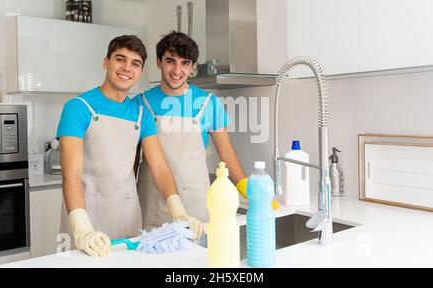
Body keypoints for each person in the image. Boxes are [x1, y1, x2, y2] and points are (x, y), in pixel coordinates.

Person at [57, 35, 203, 257]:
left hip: (129, 220)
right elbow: (71, 174)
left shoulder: (142, 114)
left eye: (135, 63)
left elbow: (160, 168)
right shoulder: (78, 108)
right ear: (106, 62)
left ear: (141, 71)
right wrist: (82, 230)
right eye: (120, 59)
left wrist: (179, 212)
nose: (127, 68)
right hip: (86, 218)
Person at [134, 31, 278, 229]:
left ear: (192, 67)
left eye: (185, 63)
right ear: (159, 62)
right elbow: (132, 158)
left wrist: (248, 189)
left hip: (196, 206)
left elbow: (226, 153)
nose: (177, 70)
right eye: (170, 61)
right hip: (152, 205)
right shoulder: (140, 103)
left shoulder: (209, 104)